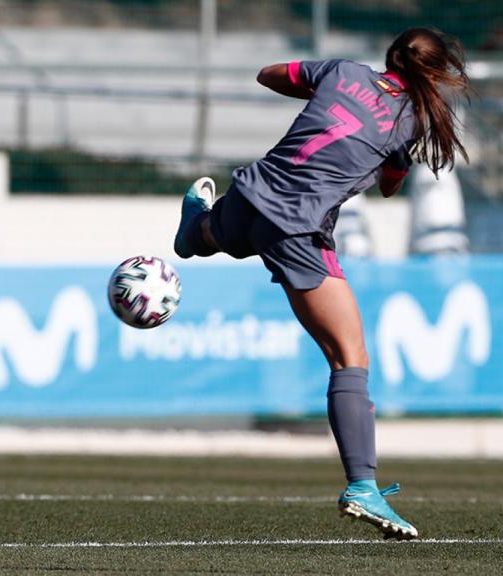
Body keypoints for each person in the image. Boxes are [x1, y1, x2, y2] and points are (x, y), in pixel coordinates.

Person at [173, 27, 470, 540]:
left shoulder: (343, 72)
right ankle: (362, 485)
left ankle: (197, 229)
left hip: (252, 191)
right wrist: (390, 157)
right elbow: (389, 188)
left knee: (230, 234)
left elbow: (269, 74)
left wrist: (321, 90)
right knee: (349, 357)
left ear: (390, 56)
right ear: (436, 73)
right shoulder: (410, 122)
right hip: (298, 223)